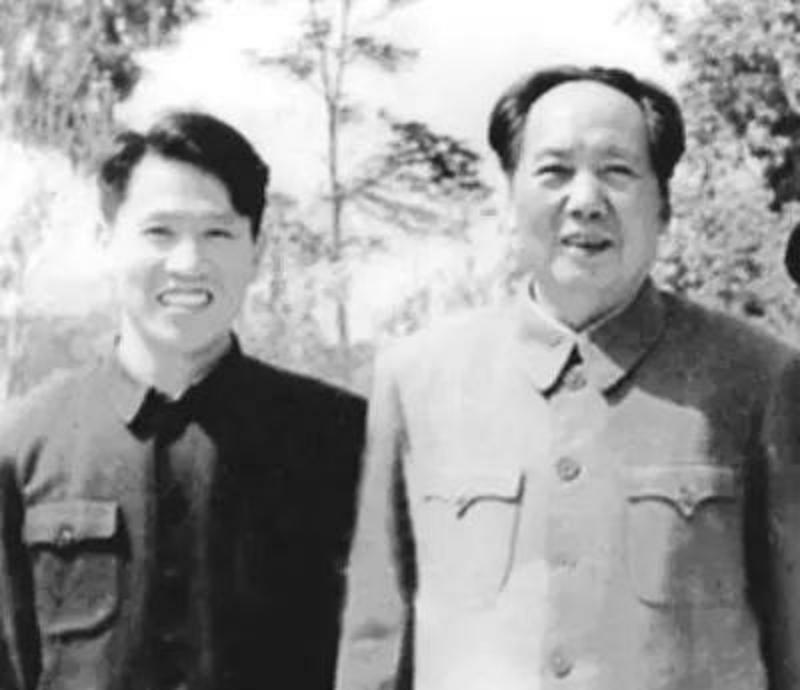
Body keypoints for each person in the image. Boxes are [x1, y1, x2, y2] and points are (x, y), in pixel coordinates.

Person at [335, 65, 800, 690]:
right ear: (510, 195)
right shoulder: (414, 380)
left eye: (617, 171)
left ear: (663, 205)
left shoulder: (760, 378)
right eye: (554, 171)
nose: (585, 201)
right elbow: (374, 640)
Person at [0, 110, 365, 690]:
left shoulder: (341, 439)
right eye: (160, 232)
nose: (188, 263)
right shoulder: (24, 447)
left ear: (256, 250)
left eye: (217, 234)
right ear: (106, 240)